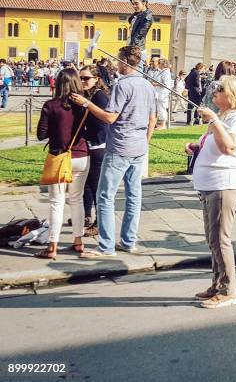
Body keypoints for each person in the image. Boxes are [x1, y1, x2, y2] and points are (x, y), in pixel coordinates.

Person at [71, 46, 157, 258]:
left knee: (105, 196)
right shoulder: (147, 85)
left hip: (120, 147)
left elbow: (110, 118)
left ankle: (106, 246)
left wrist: (87, 103)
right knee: (133, 196)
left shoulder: (122, 85)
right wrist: (144, 142)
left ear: (126, 61)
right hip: (138, 147)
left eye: (119, 61)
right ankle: (128, 242)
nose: (117, 64)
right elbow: (153, 119)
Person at [188, 75, 236, 309]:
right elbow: (214, 144)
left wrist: (214, 120)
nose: (215, 91)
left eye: (220, 88)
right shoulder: (224, 117)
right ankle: (217, 284)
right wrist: (196, 146)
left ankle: (228, 291)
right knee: (212, 239)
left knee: (221, 240)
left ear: (232, 96)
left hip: (223, 185)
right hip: (209, 184)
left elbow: (228, 147)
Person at [35, 69, 90, 259]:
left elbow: (41, 134)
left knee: (56, 203)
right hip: (81, 156)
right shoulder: (83, 106)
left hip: (59, 156)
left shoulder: (51, 105)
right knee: (77, 199)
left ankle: (52, 247)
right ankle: (78, 241)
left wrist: (56, 130)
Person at [79, 65, 110, 237]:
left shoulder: (99, 96)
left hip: (98, 145)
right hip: (90, 144)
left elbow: (103, 122)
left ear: (97, 79)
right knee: (87, 183)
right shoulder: (89, 94)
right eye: (80, 78)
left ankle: (99, 223)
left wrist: (86, 106)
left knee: (97, 185)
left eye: (86, 78)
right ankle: (86, 216)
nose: (83, 81)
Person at [117, 0, 153, 69]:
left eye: (136, 4)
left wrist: (127, 50)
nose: (134, 6)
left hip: (137, 51)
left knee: (136, 73)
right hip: (131, 47)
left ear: (144, 3)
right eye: (133, 4)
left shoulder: (147, 17)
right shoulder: (139, 11)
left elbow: (138, 36)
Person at [154, 58, 173, 129]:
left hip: (162, 93)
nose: (158, 64)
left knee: (161, 108)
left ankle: (163, 124)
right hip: (158, 93)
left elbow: (164, 84)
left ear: (162, 64)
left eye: (159, 63)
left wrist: (155, 84)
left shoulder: (166, 72)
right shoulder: (162, 71)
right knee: (158, 108)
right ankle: (159, 123)